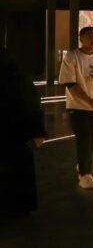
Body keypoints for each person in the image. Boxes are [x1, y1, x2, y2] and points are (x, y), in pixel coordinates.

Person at [58, 26, 93, 189]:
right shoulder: (72, 57)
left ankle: (83, 162)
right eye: (89, 36)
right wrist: (90, 102)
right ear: (81, 39)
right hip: (78, 107)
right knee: (84, 139)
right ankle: (85, 175)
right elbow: (70, 84)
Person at [0, 47, 47, 217]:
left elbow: (32, 105)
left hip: (15, 133)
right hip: (17, 134)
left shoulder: (19, 80)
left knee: (15, 170)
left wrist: (37, 132)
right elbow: (33, 105)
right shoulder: (20, 78)